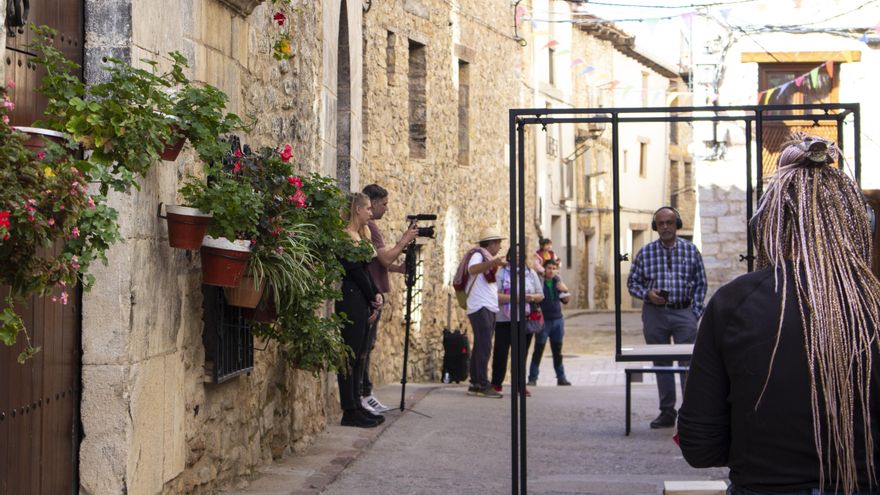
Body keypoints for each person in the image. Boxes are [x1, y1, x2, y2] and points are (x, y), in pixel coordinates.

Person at [678, 134, 880, 495]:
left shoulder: (733, 304)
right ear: (861, 225)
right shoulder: (874, 304)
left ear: (765, 226)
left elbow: (699, 444)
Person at [627, 206, 707, 429]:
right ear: (655, 227)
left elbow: (701, 283)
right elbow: (632, 283)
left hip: (684, 313)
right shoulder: (645, 252)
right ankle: (666, 411)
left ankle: (690, 412)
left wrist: (695, 312)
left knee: (688, 363)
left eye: (669, 223)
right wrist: (647, 294)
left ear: (677, 224)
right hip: (655, 315)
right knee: (661, 362)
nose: (665, 227)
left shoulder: (691, 251)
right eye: (660, 223)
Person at [359, 184, 419, 414]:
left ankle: (365, 392)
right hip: (370, 295)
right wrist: (404, 240)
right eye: (384, 204)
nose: (387, 208)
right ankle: (364, 394)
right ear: (372, 204)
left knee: (368, 345)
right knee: (365, 346)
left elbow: (378, 262)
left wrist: (398, 268)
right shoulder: (371, 227)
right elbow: (383, 259)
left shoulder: (370, 228)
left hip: (372, 291)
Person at [335, 193, 385, 428]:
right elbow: (355, 272)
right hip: (350, 300)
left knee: (360, 356)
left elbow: (366, 273)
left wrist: (375, 295)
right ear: (357, 209)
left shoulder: (360, 236)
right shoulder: (345, 237)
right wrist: (371, 297)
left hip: (361, 300)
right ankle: (349, 409)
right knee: (350, 356)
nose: (370, 213)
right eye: (367, 208)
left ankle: (356, 404)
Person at [452, 227, 506, 398]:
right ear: (491, 243)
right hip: (479, 305)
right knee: (484, 345)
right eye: (498, 243)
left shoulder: (486, 256)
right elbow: (472, 269)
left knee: (482, 345)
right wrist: (494, 263)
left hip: (487, 305)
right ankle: (481, 383)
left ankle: (476, 382)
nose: (499, 246)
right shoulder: (478, 254)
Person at [491, 246, 544, 396]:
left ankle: (520, 385)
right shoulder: (501, 273)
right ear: (509, 255)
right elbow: (495, 296)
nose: (517, 256)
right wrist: (517, 297)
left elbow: (540, 295)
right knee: (501, 352)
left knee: (521, 354)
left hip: (525, 319)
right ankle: (496, 384)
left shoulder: (530, 273)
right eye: (514, 253)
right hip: (504, 319)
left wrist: (531, 298)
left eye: (520, 253)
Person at [528, 259, 572, 386]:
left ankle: (561, 377)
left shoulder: (558, 282)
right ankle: (532, 378)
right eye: (549, 268)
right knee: (538, 349)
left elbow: (566, 300)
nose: (551, 271)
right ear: (544, 269)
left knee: (557, 351)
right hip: (543, 321)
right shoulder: (539, 282)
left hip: (558, 321)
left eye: (553, 268)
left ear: (556, 270)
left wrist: (565, 289)